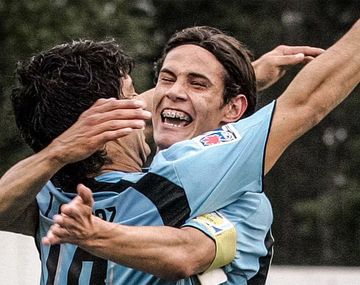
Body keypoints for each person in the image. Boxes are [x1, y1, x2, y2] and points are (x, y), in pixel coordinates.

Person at [41, 19, 359, 285]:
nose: (173, 92)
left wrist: (93, 232)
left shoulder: (231, 193)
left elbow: (307, 102)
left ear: (235, 108)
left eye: (197, 83)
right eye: (166, 78)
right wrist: (248, 74)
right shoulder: (109, 187)